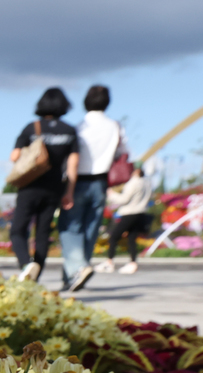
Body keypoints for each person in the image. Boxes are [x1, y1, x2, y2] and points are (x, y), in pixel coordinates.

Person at [59, 85, 127, 292]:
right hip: (100, 183)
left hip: (77, 181)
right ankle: (73, 276)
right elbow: (124, 152)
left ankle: (78, 269)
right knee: (90, 229)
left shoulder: (79, 127)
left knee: (70, 228)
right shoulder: (115, 126)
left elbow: (68, 159)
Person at [9, 87, 80, 282]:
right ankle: (36, 276)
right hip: (54, 188)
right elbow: (73, 166)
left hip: (30, 186)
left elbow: (14, 156)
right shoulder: (70, 131)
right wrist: (69, 193)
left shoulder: (32, 128)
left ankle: (26, 265)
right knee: (42, 233)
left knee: (18, 230)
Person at [96, 164, 155, 273]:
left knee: (114, 237)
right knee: (132, 238)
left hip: (129, 213)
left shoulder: (133, 183)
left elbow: (124, 199)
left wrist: (111, 194)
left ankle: (109, 262)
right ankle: (133, 263)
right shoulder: (147, 183)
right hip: (141, 213)